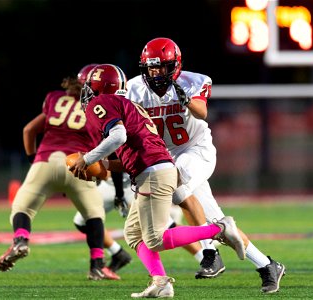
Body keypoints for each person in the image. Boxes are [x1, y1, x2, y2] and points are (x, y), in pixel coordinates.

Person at [69, 63, 245, 298]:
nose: (86, 91)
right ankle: (161, 282)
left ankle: (219, 229)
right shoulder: (130, 105)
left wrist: (87, 159)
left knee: (155, 238)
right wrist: (106, 165)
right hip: (153, 169)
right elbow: (135, 150)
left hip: (153, 173)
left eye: (90, 86)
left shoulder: (101, 103)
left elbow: (119, 136)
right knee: (133, 234)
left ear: (99, 87)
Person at [126, 37, 286, 293]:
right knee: (218, 221)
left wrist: (185, 99)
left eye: (161, 67)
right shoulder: (134, 89)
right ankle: (267, 265)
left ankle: (209, 252)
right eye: (151, 67)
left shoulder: (193, 81)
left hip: (196, 151)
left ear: (175, 65)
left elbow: (202, 112)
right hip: (163, 155)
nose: (156, 73)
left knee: (176, 186)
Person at [0, 64, 119, 281]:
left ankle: (21, 240)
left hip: (46, 160)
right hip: (79, 164)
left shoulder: (54, 98)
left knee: (22, 207)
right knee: (94, 215)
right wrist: (103, 173)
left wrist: (34, 160)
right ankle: (97, 265)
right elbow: (108, 146)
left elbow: (28, 130)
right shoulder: (101, 107)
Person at [73, 170, 205, 271]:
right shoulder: (94, 135)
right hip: (108, 184)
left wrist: (119, 194)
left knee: (166, 226)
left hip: (132, 183)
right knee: (83, 220)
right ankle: (117, 253)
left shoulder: (120, 134)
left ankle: (204, 256)